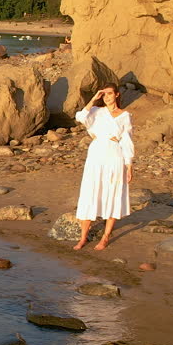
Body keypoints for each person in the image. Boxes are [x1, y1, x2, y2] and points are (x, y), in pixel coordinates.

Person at [73, 85, 134, 250]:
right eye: (104, 94)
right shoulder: (95, 111)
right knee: (89, 193)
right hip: (96, 154)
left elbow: (127, 141)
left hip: (115, 155)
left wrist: (129, 165)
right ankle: (83, 238)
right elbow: (80, 117)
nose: (106, 97)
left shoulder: (125, 115)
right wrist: (94, 99)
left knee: (112, 193)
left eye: (109, 94)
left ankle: (105, 237)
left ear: (117, 95)